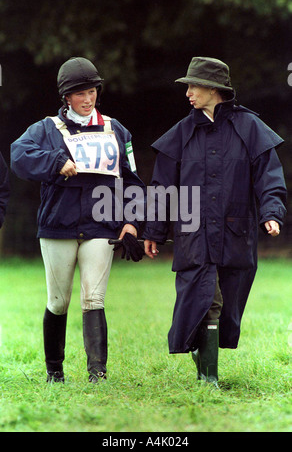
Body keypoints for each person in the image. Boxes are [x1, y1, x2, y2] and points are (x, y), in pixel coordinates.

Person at [143, 57, 287, 387]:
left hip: (236, 231)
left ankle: (202, 353)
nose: (188, 93)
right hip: (193, 233)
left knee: (225, 302)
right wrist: (153, 229)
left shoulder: (250, 128)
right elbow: (162, 187)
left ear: (213, 89)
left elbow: (269, 177)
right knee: (208, 298)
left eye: (193, 86)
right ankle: (209, 379)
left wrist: (272, 213)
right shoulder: (180, 133)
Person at [10, 57, 145, 383]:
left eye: (92, 91)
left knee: (94, 298)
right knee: (58, 301)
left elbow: (133, 181)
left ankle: (97, 373)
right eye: (80, 93)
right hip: (58, 226)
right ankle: (54, 372)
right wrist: (55, 162)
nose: (88, 99)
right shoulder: (45, 130)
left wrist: (132, 221)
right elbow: (18, 155)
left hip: (101, 225)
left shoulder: (117, 130)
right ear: (66, 97)